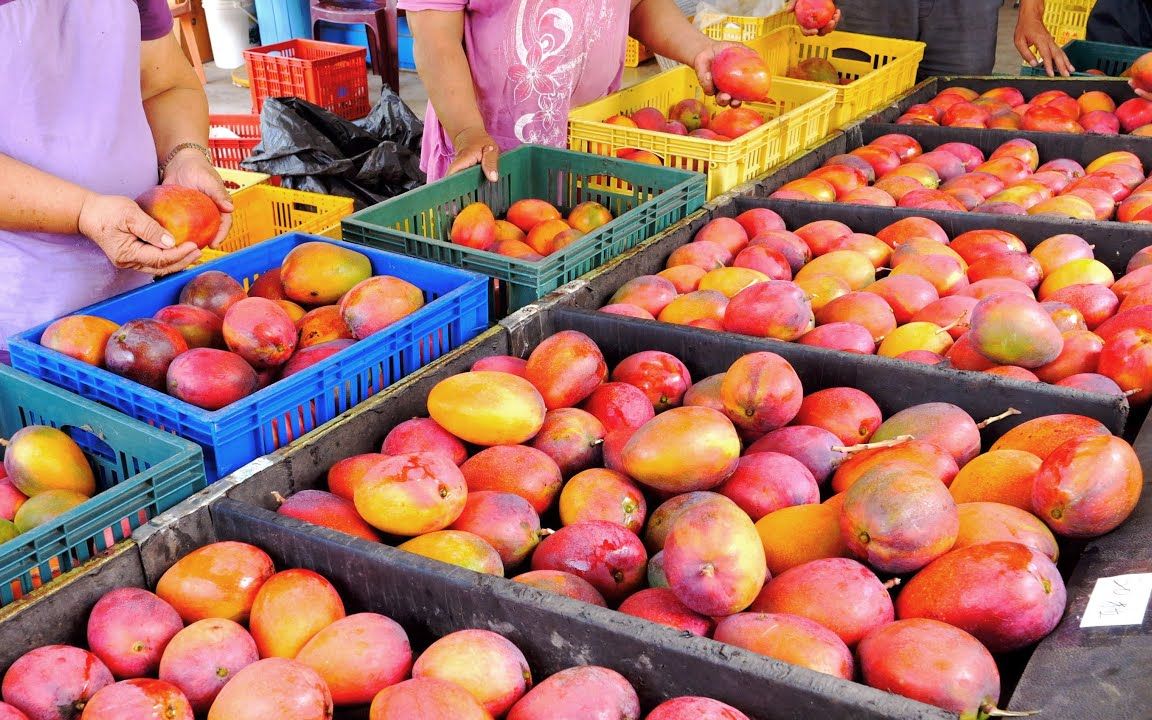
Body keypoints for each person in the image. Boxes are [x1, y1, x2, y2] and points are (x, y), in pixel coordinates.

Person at [0, 0, 232, 359]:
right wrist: (84, 212)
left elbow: (165, 84)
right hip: (22, 312)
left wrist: (185, 153)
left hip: (142, 298)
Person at [400, 0, 833, 183]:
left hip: (587, 136)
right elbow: (436, 40)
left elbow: (640, 5)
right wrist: (467, 133)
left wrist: (699, 50)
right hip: (489, 148)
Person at [833, 0, 1074, 79]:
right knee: (857, 112)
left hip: (965, 9)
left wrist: (1031, 12)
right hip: (870, 7)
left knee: (957, 114)